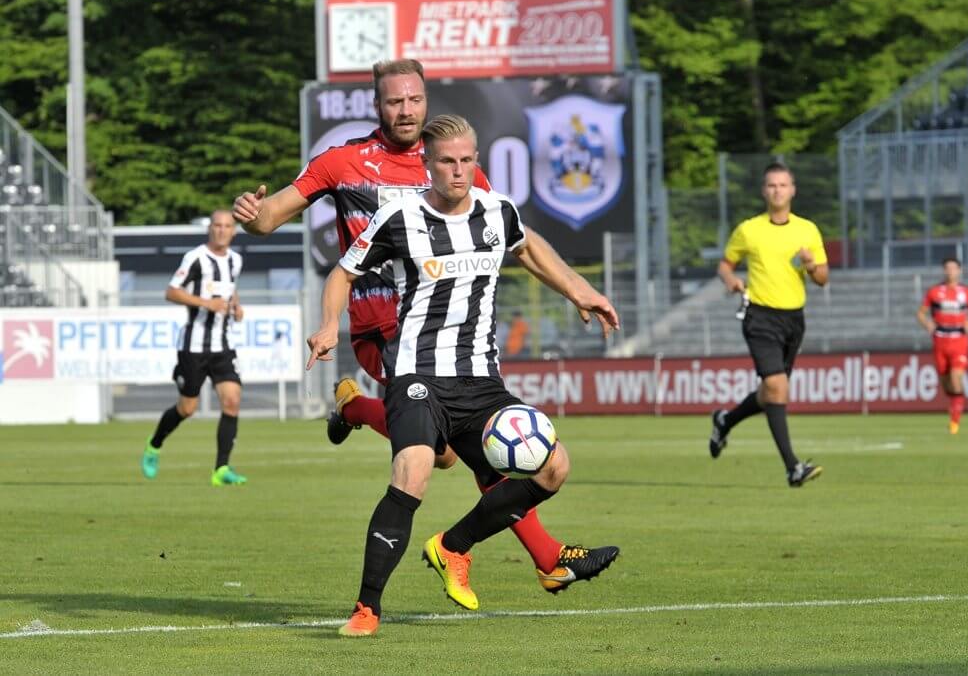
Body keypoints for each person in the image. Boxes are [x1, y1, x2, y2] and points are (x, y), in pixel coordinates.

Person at [233, 58, 619, 593]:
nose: (407, 110)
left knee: (465, 450)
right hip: (384, 330)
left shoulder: (449, 159)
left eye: (415, 100)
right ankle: (541, 556)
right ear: (378, 105)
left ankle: (546, 557)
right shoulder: (342, 162)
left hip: (449, 335)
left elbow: (510, 238)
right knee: (447, 453)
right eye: (395, 101)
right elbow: (271, 216)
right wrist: (252, 214)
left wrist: (579, 288)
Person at [305, 114, 620, 636]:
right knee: (415, 473)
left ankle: (452, 546)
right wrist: (327, 325)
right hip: (417, 375)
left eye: (467, 160)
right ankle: (367, 609)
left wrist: (578, 288)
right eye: (447, 161)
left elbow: (531, 250)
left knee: (554, 467)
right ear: (427, 164)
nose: (458, 171)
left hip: (480, 381)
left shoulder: (498, 212)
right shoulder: (401, 218)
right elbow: (343, 272)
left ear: (478, 160)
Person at [708, 163, 828, 487]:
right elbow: (725, 264)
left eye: (783, 185)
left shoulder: (808, 230)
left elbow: (822, 279)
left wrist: (811, 264)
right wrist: (731, 278)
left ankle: (725, 420)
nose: (777, 190)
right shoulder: (749, 229)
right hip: (760, 316)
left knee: (769, 393)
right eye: (772, 185)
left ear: (793, 190)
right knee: (777, 387)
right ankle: (793, 466)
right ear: (764, 191)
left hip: (794, 319)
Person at [141, 210, 247, 486]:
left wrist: (235, 305)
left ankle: (221, 469)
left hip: (223, 344)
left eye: (227, 226)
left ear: (234, 231)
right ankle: (154, 444)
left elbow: (229, 289)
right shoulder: (196, 257)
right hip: (193, 346)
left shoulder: (235, 261)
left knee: (232, 400)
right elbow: (171, 291)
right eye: (217, 225)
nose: (222, 230)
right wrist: (205, 303)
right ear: (210, 229)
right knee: (187, 408)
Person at [917, 257, 968, 434]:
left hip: (959, 340)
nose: (950, 271)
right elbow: (921, 313)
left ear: (959, 270)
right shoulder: (934, 291)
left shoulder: (967, 292)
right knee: (945, 383)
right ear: (944, 271)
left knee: (956, 377)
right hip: (940, 339)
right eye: (947, 268)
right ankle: (955, 404)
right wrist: (927, 324)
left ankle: (954, 423)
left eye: (953, 268)